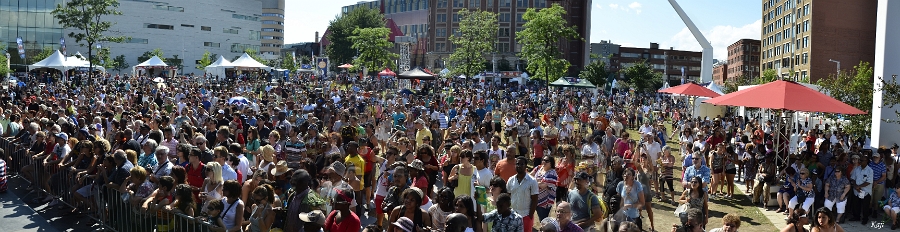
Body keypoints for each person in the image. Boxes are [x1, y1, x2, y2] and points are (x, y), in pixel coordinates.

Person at [507, 156, 539, 232]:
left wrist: (530, 215)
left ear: (526, 166)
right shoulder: (511, 180)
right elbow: (508, 196)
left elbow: (535, 200)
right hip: (513, 215)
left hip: (526, 215)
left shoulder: (532, 181)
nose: (519, 166)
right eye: (517, 164)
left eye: (522, 164)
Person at [532, 155, 558, 221]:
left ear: (551, 163)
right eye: (543, 160)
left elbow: (542, 185)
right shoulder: (539, 168)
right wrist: (537, 182)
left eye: (546, 161)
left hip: (544, 202)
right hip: (534, 198)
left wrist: (533, 181)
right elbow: (529, 176)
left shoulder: (552, 174)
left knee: (543, 220)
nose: (544, 162)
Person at [849, 154, 873, 224]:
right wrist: (856, 186)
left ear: (866, 161)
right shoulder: (857, 169)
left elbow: (869, 181)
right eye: (860, 160)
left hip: (866, 191)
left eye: (862, 160)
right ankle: (856, 217)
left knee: (865, 206)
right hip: (856, 190)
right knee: (856, 205)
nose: (861, 161)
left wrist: (859, 187)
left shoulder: (870, 170)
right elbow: (853, 178)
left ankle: (865, 219)